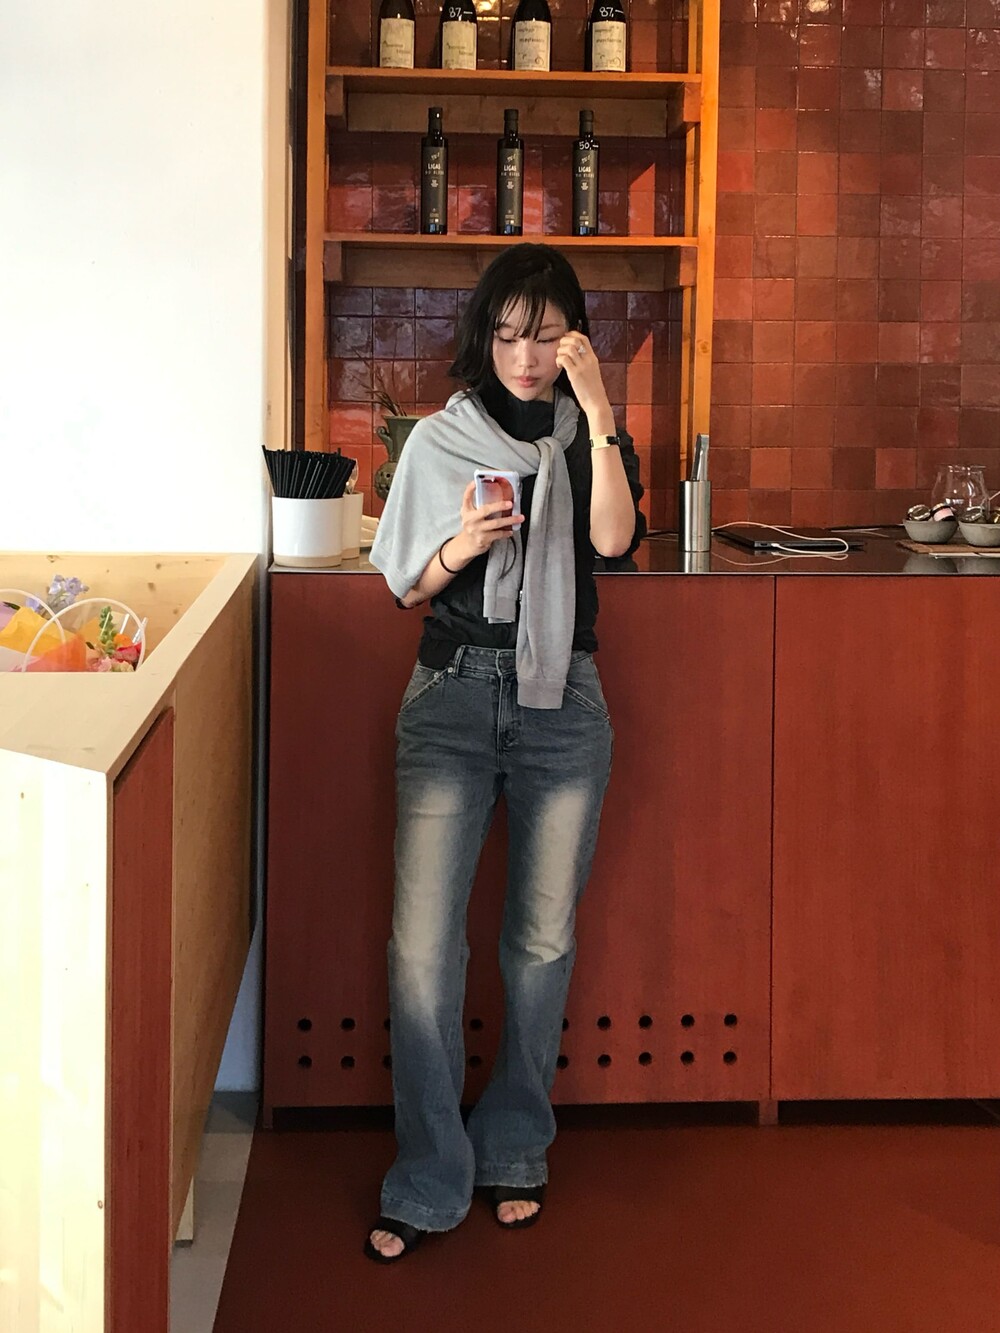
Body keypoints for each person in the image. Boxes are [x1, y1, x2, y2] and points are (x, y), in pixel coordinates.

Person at [365, 243, 645, 1262]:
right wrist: (465, 546)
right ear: (485, 337)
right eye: (510, 334)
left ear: (575, 338)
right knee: (422, 949)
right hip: (451, 694)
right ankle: (429, 1172)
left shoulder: (591, 434)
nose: (526, 356)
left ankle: (517, 1144)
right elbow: (405, 581)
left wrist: (598, 408)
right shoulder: (443, 439)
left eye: (547, 335)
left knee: (539, 941)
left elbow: (612, 541)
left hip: (563, 700)